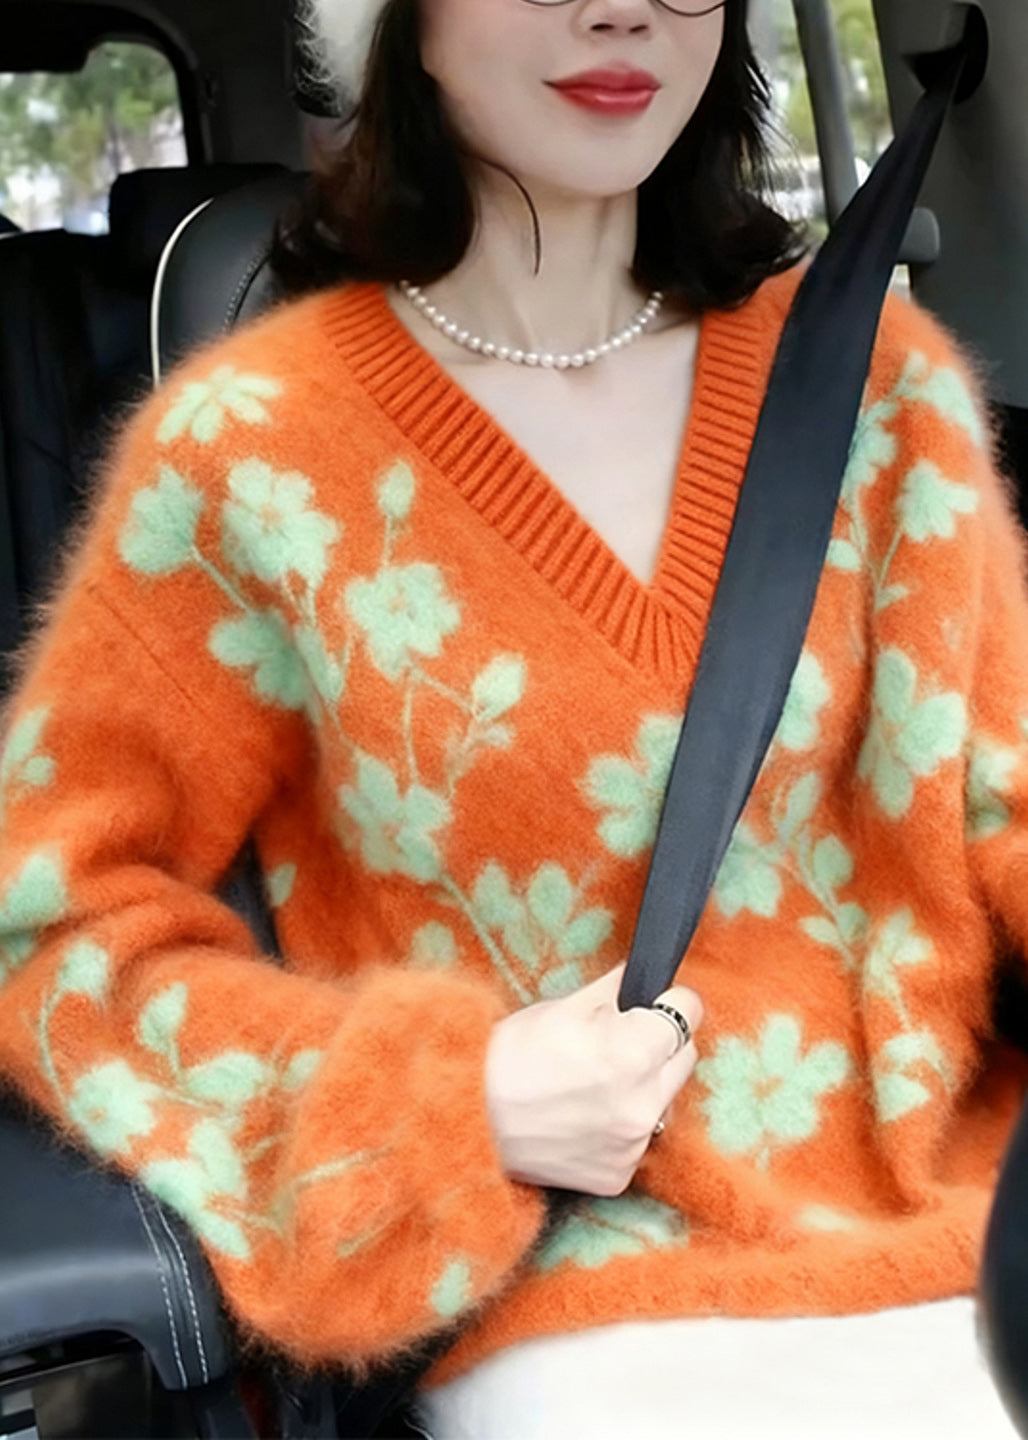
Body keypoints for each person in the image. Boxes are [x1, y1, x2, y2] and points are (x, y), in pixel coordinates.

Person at [0, 0, 1025, 1435]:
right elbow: (45, 921)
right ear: (399, 25)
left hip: (977, 1221)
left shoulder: (881, 386)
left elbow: (1003, 805)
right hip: (581, 1299)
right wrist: (446, 1104)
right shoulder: (246, 454)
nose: (621, 5)